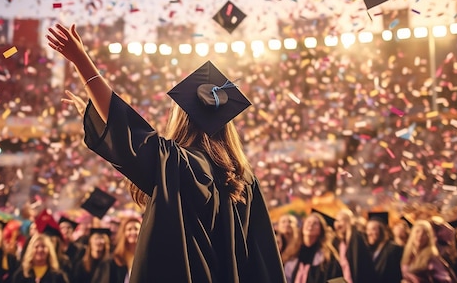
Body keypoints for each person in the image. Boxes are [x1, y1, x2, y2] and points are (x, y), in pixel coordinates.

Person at [47, 23, 285, 283]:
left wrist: (81, 61)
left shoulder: (178, 163)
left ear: (181, 119)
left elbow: (129, 132)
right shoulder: (244, 180)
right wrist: (93, 115)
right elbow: (264, 260)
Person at [284, 213, 342, 283]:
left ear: (320, 230)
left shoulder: (328, 257)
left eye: (315, 223)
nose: (310, 225)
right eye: (308, 222)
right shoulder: (292, 252)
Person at [332, 209, 377, 283]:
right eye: (336, 221)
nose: (337, 224)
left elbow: (363, 267)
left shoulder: (357, 239)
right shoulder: (337, 242)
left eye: (340, 220)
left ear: (348, 222)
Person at [365, 213, 403, 283]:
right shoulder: (371, 250)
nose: (369, 233)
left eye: (373, 229)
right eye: (367, 229)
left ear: (382, 230)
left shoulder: (393, 249)